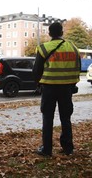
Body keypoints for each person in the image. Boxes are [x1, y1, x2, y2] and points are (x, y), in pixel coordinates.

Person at [32, 22, 81, 157]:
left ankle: (47, 149)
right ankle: (68, 148)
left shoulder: (43, 48)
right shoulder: (73, 47)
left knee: (47, 118)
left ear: (49, 33)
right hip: (66, 89)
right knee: (66, 118)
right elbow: (77, 67)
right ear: (62, 32)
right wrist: (73, 84)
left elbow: (36, 71)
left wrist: (39, 84)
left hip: (49, 88)